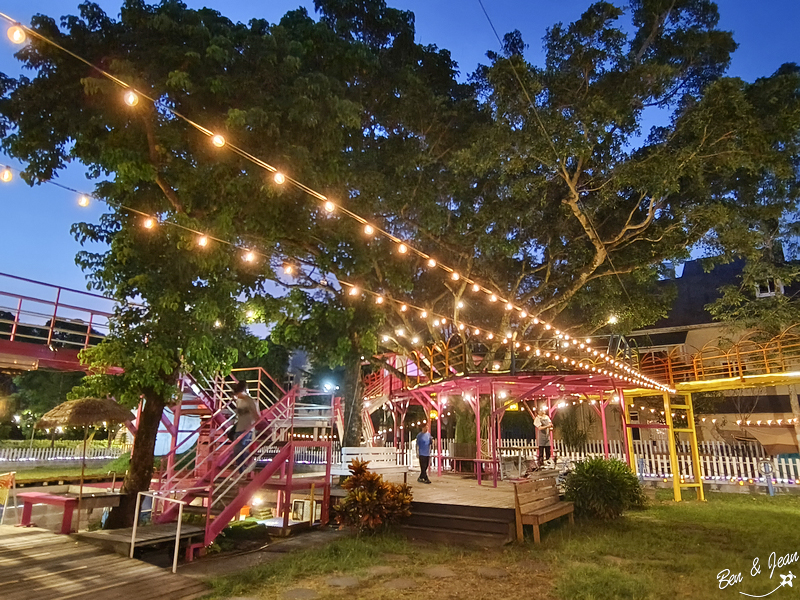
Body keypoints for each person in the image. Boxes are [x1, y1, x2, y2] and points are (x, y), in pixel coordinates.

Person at [231, 380, 259, 473]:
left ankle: (243, 468)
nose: (236, 396)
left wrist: (256, 426)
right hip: (240, 427)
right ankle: (242, 469)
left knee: (240, 448)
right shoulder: (239, 401)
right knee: (237, 450)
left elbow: (255, 414)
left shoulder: (249, 400)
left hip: (248, 428)